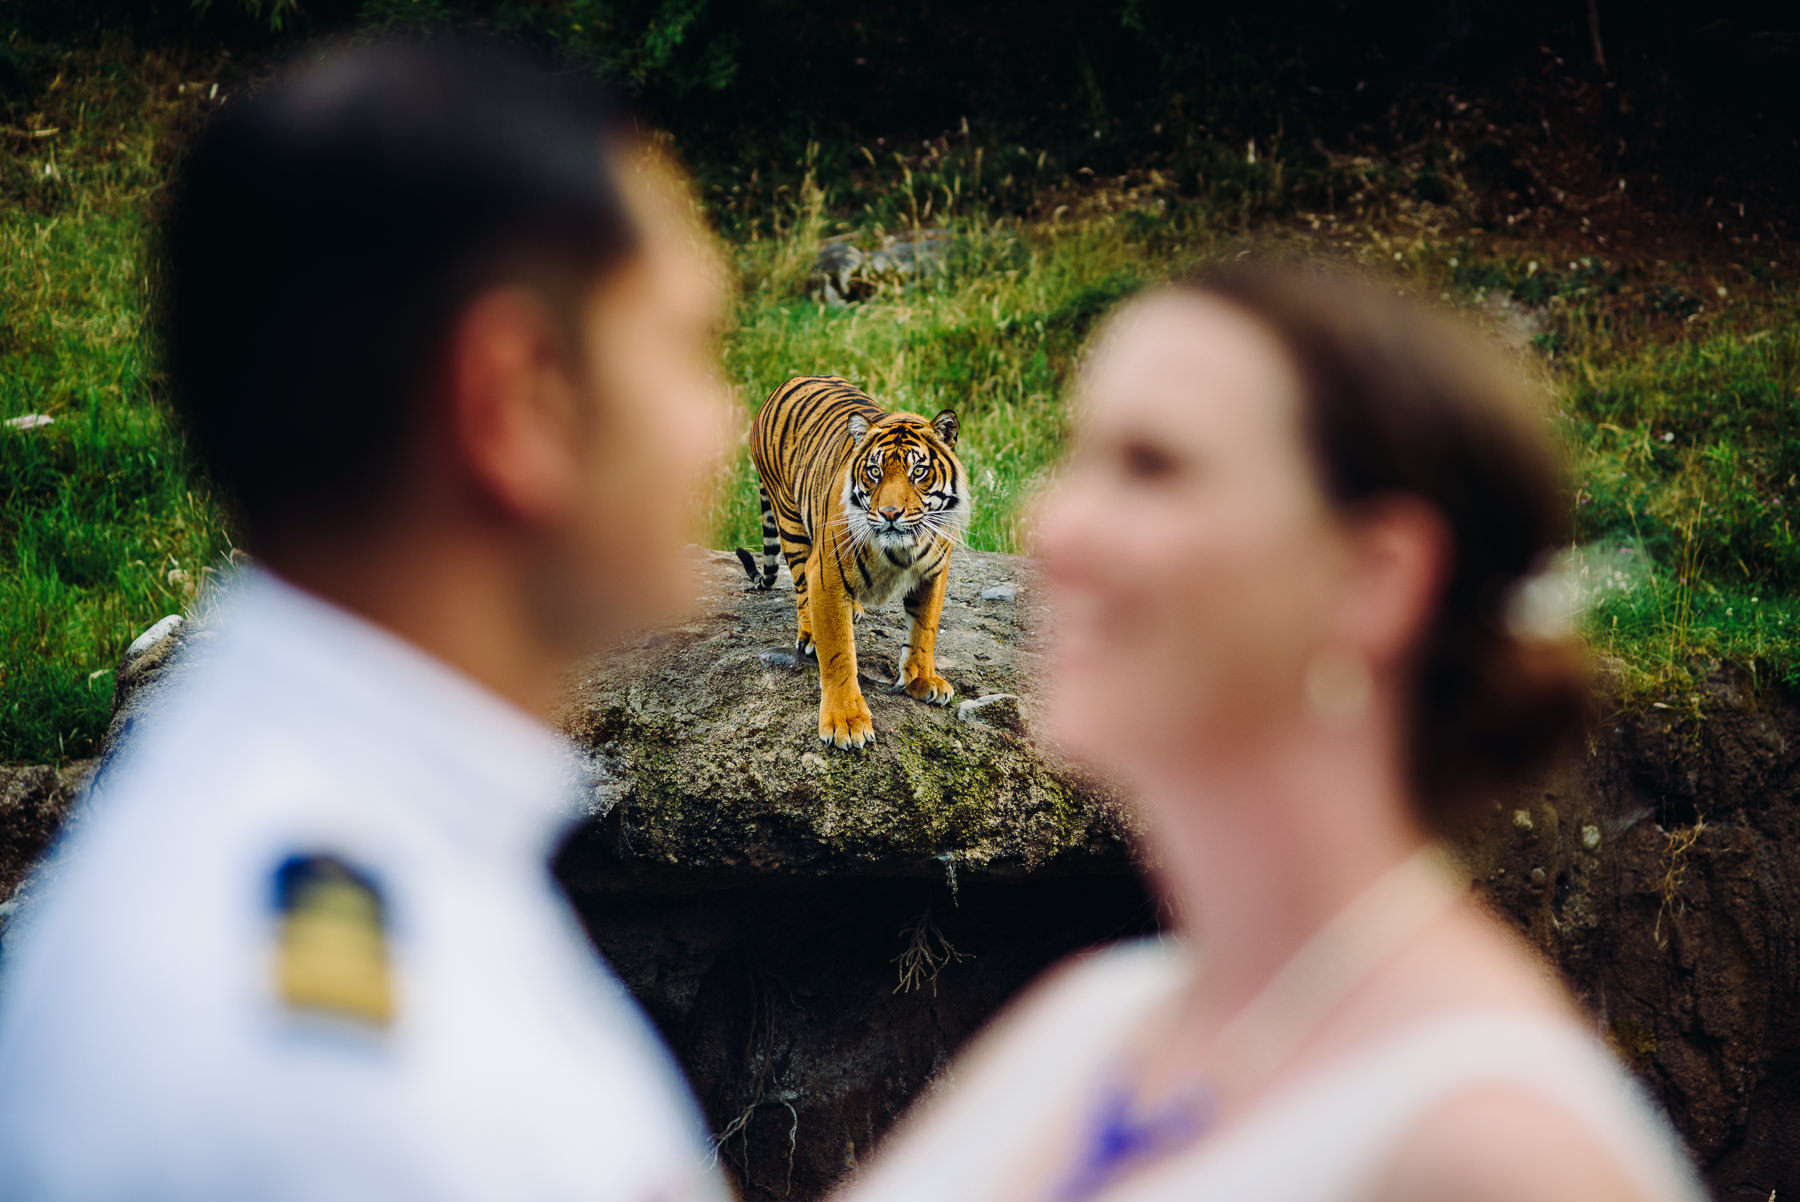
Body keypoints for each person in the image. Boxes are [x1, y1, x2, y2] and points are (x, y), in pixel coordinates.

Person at [0, 39, 734, 1201]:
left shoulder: (285, 841)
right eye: (694, 347)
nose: (725, 426)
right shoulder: (371, 1077)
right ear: (519, 400)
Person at [836, 265, 1707, 1202]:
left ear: (1374, 578)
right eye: (1076, 456)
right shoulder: (1103, 1016)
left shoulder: (1501, 1148)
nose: (1052, 523)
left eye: (1152, 466)